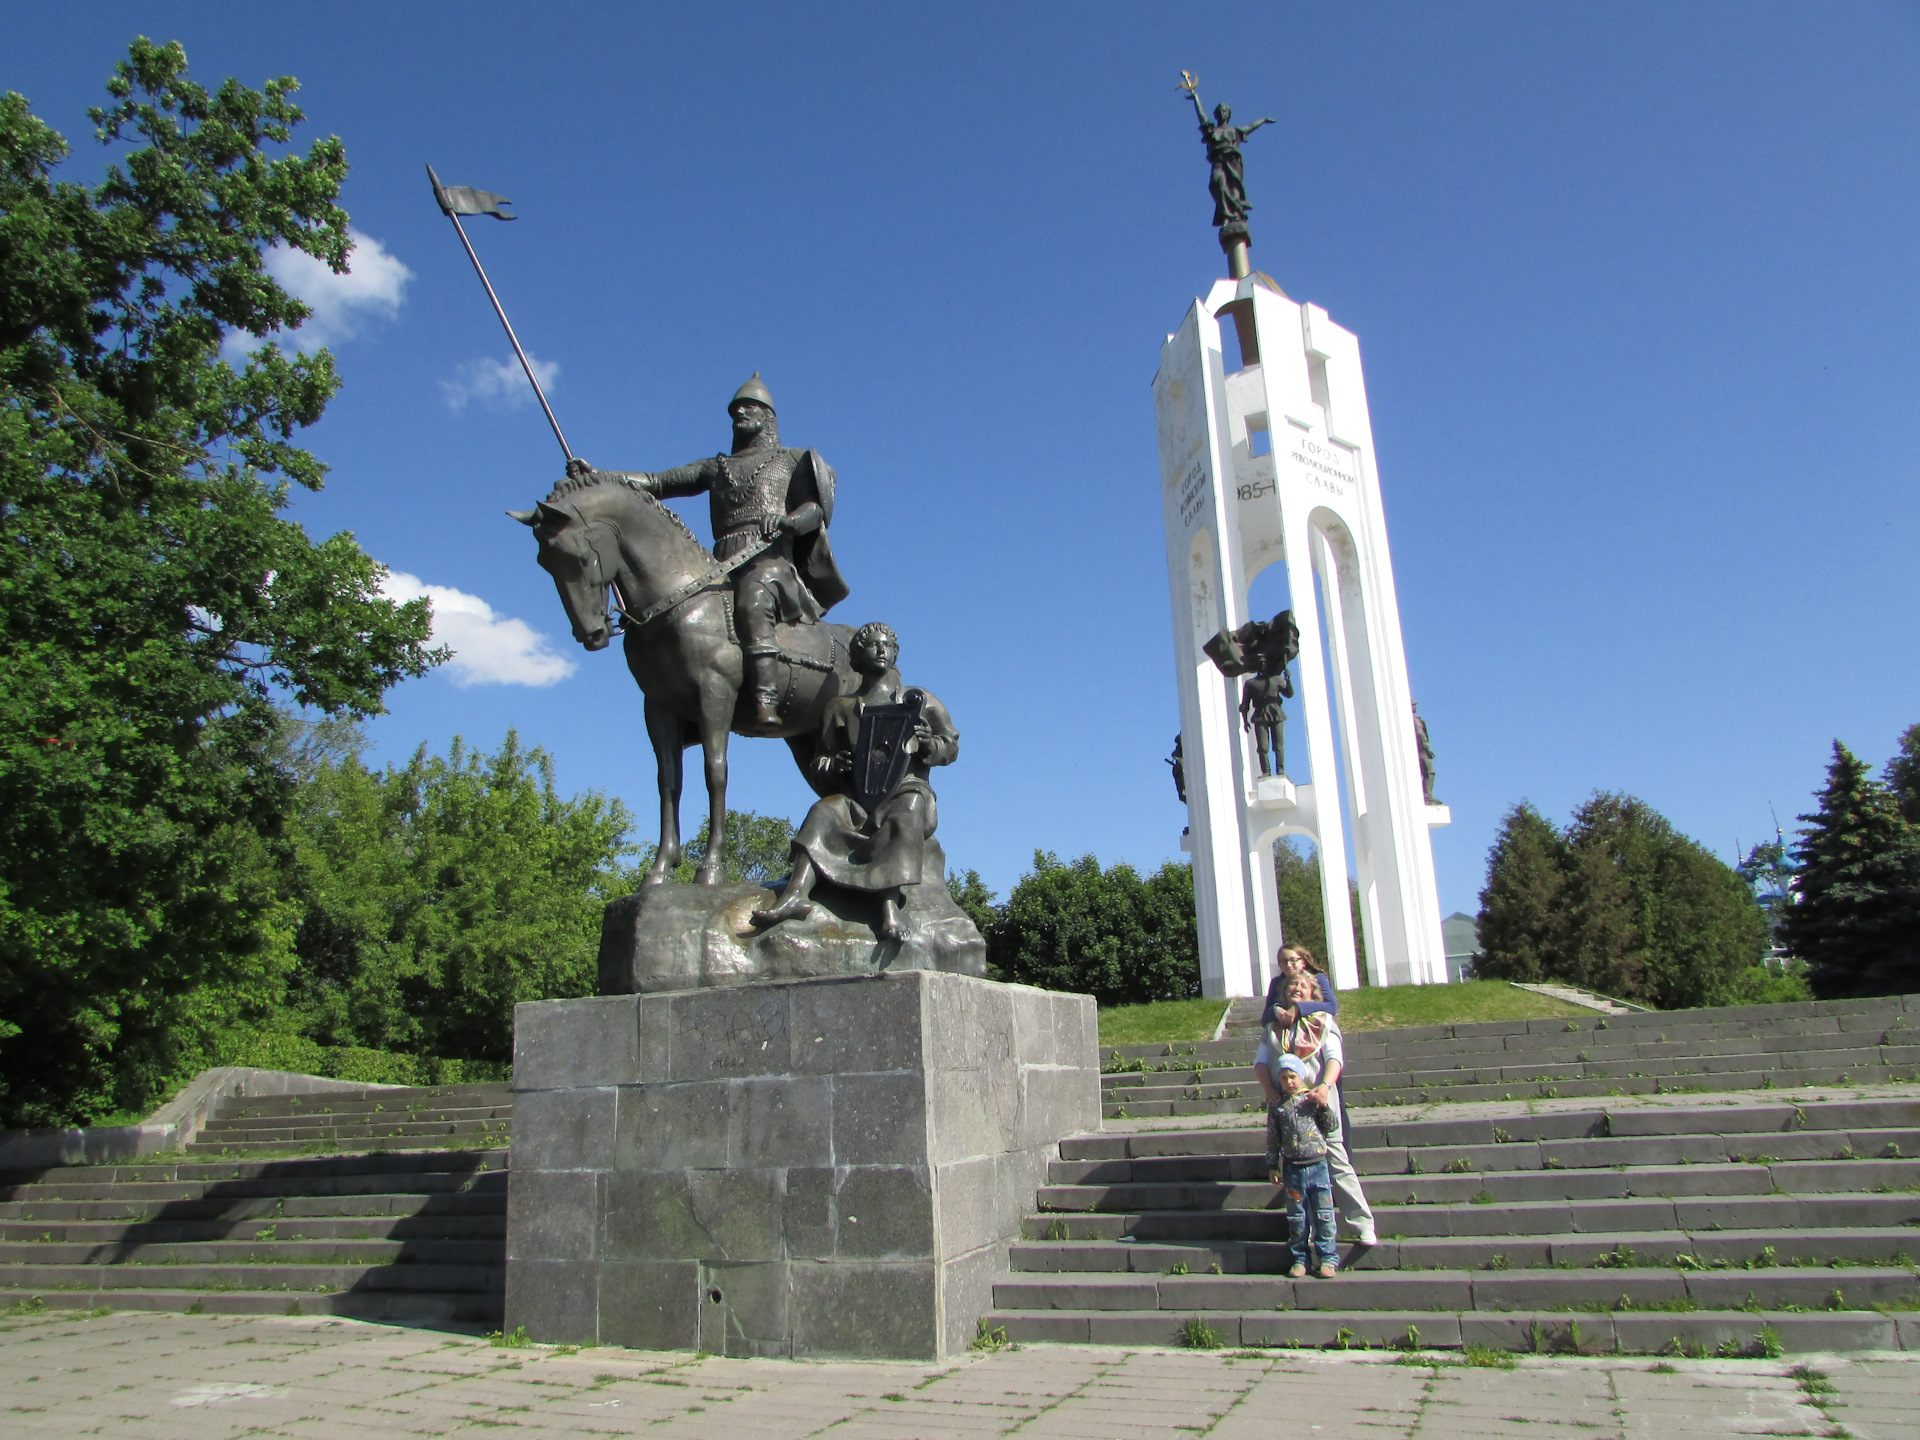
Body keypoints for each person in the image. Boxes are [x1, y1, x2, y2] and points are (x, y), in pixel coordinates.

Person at [559, 374, 848, 728]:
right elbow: (656, 482)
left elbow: (814, 509)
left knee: (752, 599)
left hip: (771, 560)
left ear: (768, 416)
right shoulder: (716, 467)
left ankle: (766, 697)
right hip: (723, 562)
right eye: (736, 408)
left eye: (750, 406)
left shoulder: (793, 459)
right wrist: (602, 476)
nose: (741, 411)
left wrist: (789, 521)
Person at [752, 623, 958, 941]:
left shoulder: (919, 700)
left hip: (907, 789)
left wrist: (930, 743)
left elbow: (951, 746)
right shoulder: (840, 707)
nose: (880, 650)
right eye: (872, 646)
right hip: (857, 797)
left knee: (908, 808)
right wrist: (833, 764)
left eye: (886, 646)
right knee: (823, 810)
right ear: (857, 657)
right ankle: (795, 895)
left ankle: (889, 907)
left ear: (895, 653)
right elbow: (820, 760)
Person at [1254, 972, 1377, 1249]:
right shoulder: (1274, 1027)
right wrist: (1268, 1090)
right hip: (1289, 1110)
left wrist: (1324, 1086)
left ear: (1312, 993)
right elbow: (1261, 1062)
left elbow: (1334, 1058)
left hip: (1319, 1104)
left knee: (1337, 1162)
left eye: (1302, 985)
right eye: (1292, 986)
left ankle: (1362, 1224)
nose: (1296, 988)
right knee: (1297, 1170)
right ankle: (1305, 1232)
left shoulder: (1323, 1022)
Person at [1264, 1054, 1339, 1279]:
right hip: (1293, 1169)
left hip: (1317, 1166)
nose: (1288, 1082)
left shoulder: (1311, 1099)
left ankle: (1327, 1257)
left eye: (1292, 1076)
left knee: (1324, 1214)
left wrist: (1323, 1106)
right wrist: (1272, 1164)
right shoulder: (1278, 1106)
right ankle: (1300, 1258)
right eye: (1284, 1077)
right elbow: (1272, 1137)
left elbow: (1331, 1127)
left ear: (1301, 1076)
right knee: (1297, 1217)